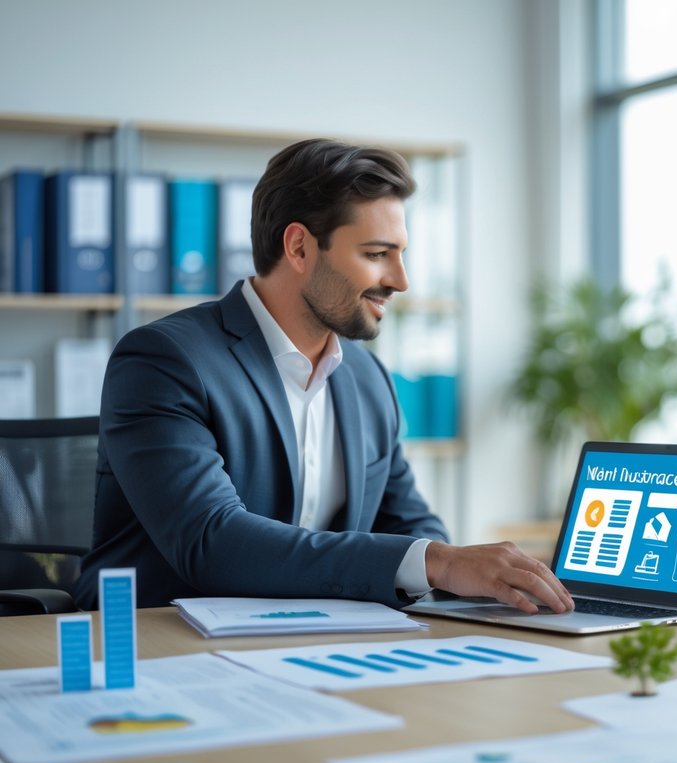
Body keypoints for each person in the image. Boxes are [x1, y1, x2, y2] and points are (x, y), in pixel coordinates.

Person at [74, 138, 573, 614]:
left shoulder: (367, 378)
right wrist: (438, 563)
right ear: (299, 248)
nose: (401, 281)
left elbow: (411, 523)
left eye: (401, 254)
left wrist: (488, 580)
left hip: (310, 647)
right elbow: (212, 541)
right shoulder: (166, 360)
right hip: (160, 650)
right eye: (377, 255)